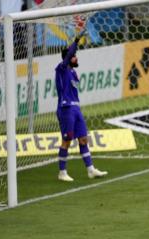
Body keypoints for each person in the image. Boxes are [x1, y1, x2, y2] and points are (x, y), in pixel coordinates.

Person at [55, 30, 107, 182]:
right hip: (66, 109)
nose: (76, 58)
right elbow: (70, 53)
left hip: (76, 108)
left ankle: (91, 170)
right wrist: (77, 40)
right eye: (74, 56)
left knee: (83, 139)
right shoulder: (62, 69)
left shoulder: (73, 73)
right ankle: (62, 172)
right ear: (68, 58)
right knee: (67, 140)